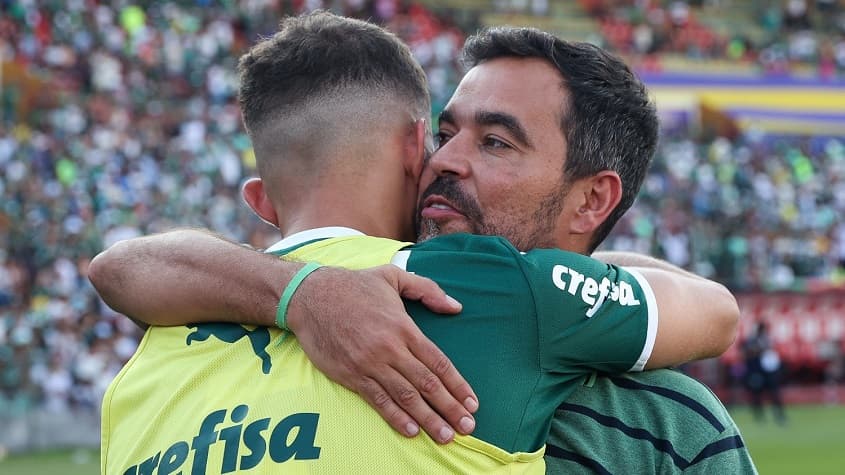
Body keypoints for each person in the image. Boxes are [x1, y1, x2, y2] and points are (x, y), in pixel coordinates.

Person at [89, 12, 751, 474]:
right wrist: (301, 294)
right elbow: (715, 309)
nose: (446, 160)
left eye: (493, 141)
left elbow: (117, 265)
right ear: (413, 146)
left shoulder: (150, 358)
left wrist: (298, 291)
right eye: (443, 133)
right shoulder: (492, 298)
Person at [742, 320, 787, 424]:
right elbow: (747, 353)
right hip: (757, 371)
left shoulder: (767, 340)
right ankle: (760, 416)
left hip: (768, 372)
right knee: (757, 395)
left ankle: (778, 415)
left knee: (774, 394)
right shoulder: (752, 340)